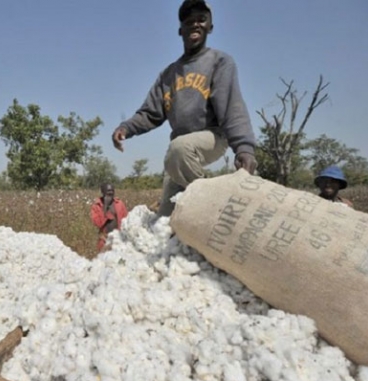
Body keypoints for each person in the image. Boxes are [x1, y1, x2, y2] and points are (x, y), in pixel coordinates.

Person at [111, 0, 257, 217]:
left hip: (212, 136)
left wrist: (244, 147)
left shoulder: (219, 62)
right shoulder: (169, 74)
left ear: (210, 27)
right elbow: (150, 113)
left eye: (201, 20)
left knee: (179, 150)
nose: (195, 24)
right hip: (179, 150)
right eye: (189, 21)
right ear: (180, 30)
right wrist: (126, 128)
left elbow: (231, 108)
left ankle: (214, 208)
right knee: (166, 220)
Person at [90, 183, 129, 252]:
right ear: (103, 192)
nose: (111, 192)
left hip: (118, 238)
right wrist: (105, 207)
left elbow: (127, 220)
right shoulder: (96, 206)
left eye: (112, 191)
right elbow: (98, 223)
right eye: (108, 191)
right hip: (104, 239)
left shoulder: (119, 203)